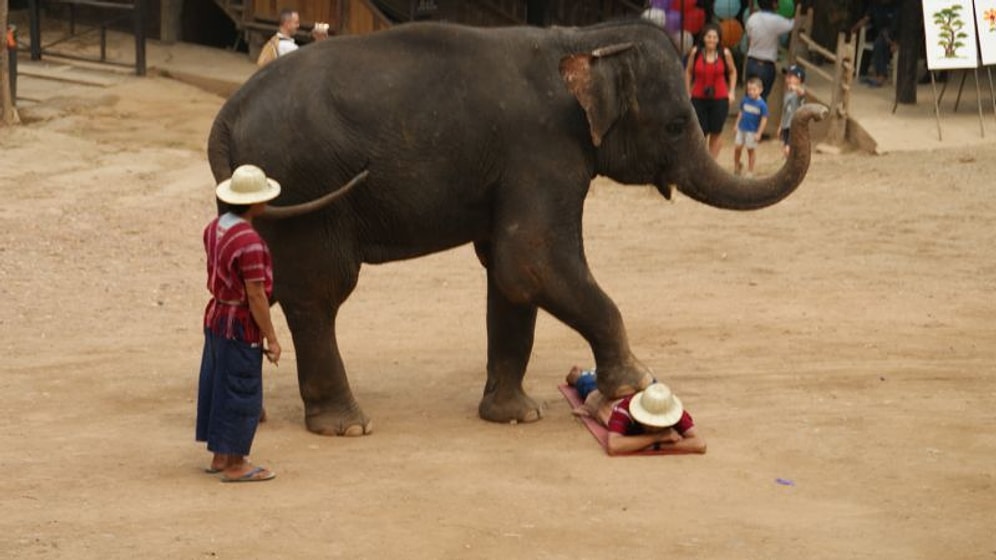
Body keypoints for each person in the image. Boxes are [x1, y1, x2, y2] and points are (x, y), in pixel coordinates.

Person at [196, 164, 284, 483]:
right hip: (239, 324)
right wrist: (271, 338)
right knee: (240, 388)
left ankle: (220, 454)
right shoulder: (251, 242)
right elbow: (256, 294)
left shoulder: (214, 228)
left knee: (217, 383)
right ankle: (236, 463)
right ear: (257, 203)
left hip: (216, 316)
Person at [566, 367, 706, 456]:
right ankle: (583, 374)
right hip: (608, 397)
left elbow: (700, 443)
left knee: (645, 379)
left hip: (648, 387)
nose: (655, 427)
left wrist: (658, 445)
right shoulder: (623, 410)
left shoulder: (671, 407)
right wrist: (657, 437)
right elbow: (614, 446)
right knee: (584, 382)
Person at [684, 23, 738, 159]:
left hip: (720, 98)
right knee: (700, 132)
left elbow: (732, 72)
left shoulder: (725, 53)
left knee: (716, 132)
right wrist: (687, 91)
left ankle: (712, 164)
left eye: (715, 37)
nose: (712, 40)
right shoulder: (695, 52)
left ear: (719, 39)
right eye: (709, 37)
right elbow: (688, 72)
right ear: (703, 38)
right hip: (698, 97)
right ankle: (700, 162)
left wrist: (731, 91)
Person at [744, 0, 794, 103]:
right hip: (766, 66)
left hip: (751, 61)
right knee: (761, 99)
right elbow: (792, 25)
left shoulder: (752, 18)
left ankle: (747, 117)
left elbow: (749, 35)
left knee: (749, 97)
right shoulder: (777, 20)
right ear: (774, 4)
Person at [257, 8, 330, 67]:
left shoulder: (274, 40)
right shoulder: (289, 47)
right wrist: (321, 42)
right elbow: (310, 65)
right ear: (287, 24)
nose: (298, 26)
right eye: (296, 23)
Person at [851, 0, 899, 88]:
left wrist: (897, 42)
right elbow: (866, 19)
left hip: (894, 35)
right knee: (880, 40)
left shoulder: (897, 6)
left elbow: (902, 27)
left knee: (881, 39)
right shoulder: (875, 5)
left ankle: (881, 76)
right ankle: (880, 74)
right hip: (882, 36)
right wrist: (854, 29)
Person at [733, 77, 768, 178]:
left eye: (754, 89)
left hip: (752, 131)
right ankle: (737, 165)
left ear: (760, 90)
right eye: (749, 90)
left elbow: (764, 119)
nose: (751, 92)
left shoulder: (762, 105)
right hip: (741, 128)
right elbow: (741, 113)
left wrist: (759, 133)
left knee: (750, 149)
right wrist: (736, 124)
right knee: (737, 147)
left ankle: (750, 170)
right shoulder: (745, 100)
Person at [779, 64, 806, 157]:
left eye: (791, 76)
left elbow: (802, 93)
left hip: (794, 125)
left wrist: (796, 88)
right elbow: (785, 111)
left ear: (799, 78)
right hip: (786, 125)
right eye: (787, 76)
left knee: (789, 149)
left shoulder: (798, 92)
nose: (788, 79)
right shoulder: (787, 93)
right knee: (784, 148)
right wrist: (780, 126)